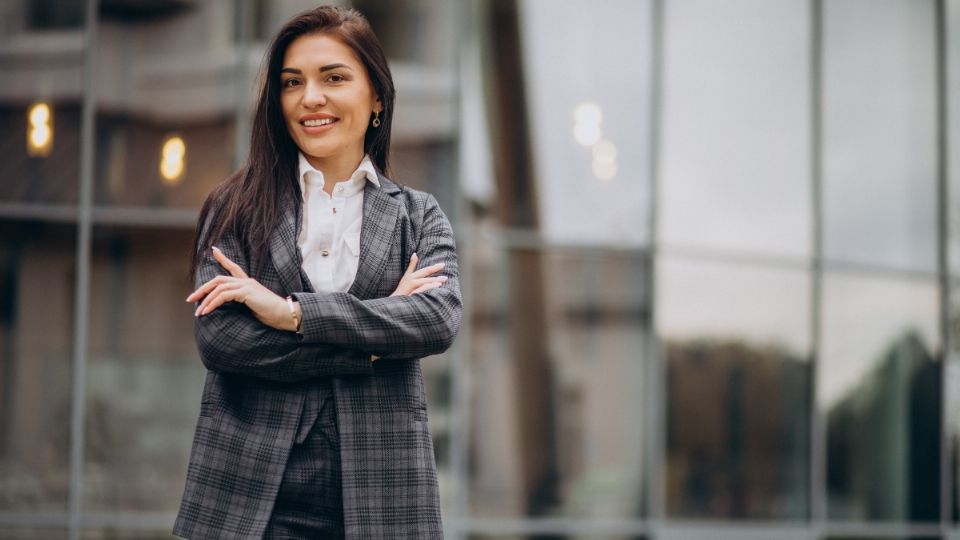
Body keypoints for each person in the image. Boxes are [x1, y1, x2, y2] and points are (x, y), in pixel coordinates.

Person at [172, 6, 461, 539]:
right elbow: (225, 341)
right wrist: (374, 341)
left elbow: (436, 321)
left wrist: (291, 314)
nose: (310, 98)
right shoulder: (233, 207)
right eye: (292, 82)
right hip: (250, 491)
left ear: (376, 96)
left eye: (334, 77)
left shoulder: (417, 215)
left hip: (383, 490)